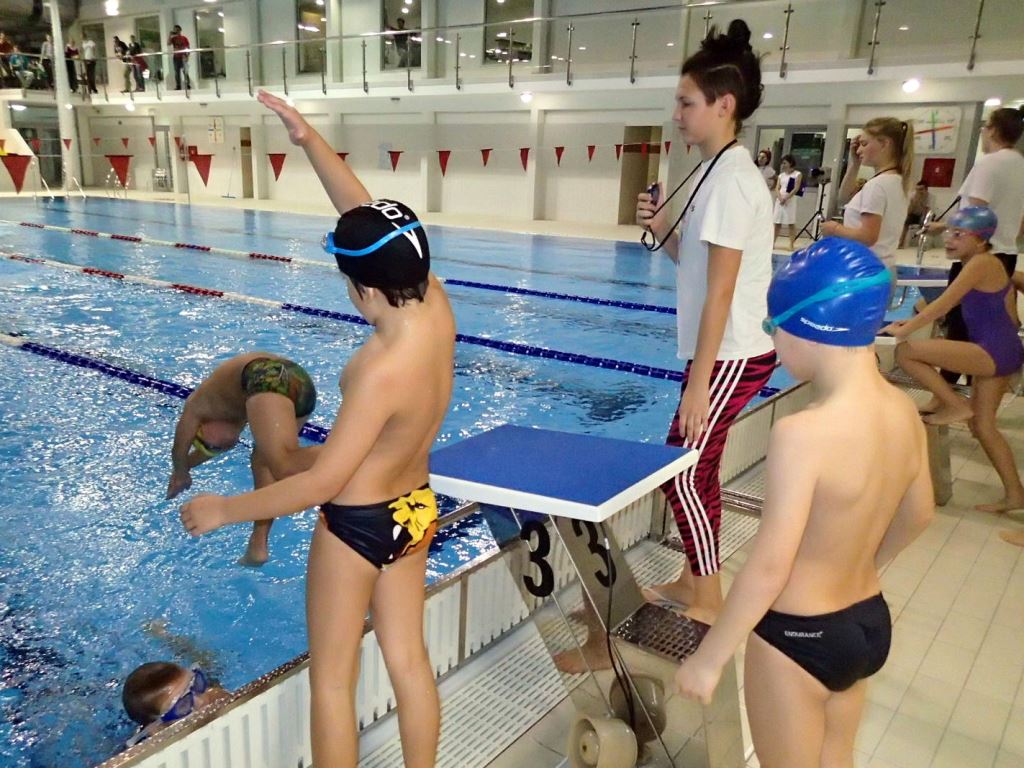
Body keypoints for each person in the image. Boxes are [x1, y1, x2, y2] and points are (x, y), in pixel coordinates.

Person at [178, 89, 455, 768]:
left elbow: (323, 482)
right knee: (408, 660)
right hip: (416, 508)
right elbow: (364, 215)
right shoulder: (434, 305)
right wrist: (308, 140)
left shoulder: (382, 367)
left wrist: (225, 508)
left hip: (357, 523)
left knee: (332, 682)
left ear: (363, 288)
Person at [675, 237, 934, 767]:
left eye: (771, 327)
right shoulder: (903, 410)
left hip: (798, 635)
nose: (773, 344)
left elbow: (770, 567)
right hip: (867, 620)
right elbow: (919, 513)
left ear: (805, 325)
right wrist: (865, 563)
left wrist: (710, 657)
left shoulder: (802, 433)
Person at [636, 20, 777, 626]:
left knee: (682, 470)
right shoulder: (715, 173)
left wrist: (699, 384)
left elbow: (721, 292)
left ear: (725, 105)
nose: (676, 115)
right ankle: (694, 581)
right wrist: (662, 228)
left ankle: (709, 596)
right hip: (722, 352)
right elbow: (696, 267)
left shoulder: (732, 181)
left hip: (731, 353)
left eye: (686, 103)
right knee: (697, 467)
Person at [882, 207, 1024, 513]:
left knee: (906, 352)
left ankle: (955, 404)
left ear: (980, 239)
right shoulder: (989, 264)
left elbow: (944, 305)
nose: (949, 239)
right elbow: (1010, 317)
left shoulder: (980, 263)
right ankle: (1016, 494)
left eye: (959, 234)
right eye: (949, 232)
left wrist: (904, 329)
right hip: (1003, 349)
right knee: (983, 426)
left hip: (993, 350)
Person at [165, 352, 320, 565]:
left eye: (208, 445)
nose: (216, 447)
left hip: (267, 373)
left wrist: (181, 472)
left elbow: (178, 449)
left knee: (284, 465)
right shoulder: (234, 409)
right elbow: (220, 443)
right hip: (300, 382)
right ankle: (258, 545)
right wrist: (188, 468)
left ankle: (353, 452)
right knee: (264, 461)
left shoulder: (196, 407)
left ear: (199, 428)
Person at [822, 118, 913, 271]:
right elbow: (843, 198)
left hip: (866, 271)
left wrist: (834, 229)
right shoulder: (898, 181)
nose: (858, 150)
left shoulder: (877, 185)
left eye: (864, 144)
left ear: (884, 144)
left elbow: (868, 237)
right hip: (884, 268)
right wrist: (854, 164)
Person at [773, 154, 802, 250]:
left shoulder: (797, 174)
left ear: (790, 163)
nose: (783, 165)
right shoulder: (781, 175)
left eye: (785, 163)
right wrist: (780, 197)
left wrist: (786, 198)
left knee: (790, 222)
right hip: (780, 199)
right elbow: (777, 188)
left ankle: (791, 244)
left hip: (790, 199)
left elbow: (796, 188)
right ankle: (772, 242)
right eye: (782, 163)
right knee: (777, 222)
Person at [899, 180, 933, 248]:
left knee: (925, 223)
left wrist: (923, 219)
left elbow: (927, 210)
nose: (919, 191)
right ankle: (901, 243)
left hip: (924, 214)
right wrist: (914, 201)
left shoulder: (930, 197)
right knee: (906, 222)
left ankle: (922, 243)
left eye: (921, 189)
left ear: (926, 190)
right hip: (913, 214)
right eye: (917, 189)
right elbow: (909, 211)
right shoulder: (912, 195)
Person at [168, 25, 190, 90]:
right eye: (175, 30)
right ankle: (178, 86)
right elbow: (168, 43)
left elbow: (188, 47)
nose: (176, 31)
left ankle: (188, 84)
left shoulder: (184, 38)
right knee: (177, 72)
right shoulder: (173, 38)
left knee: (185, 71)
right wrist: (170, 35)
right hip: (176, 57)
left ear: (180, 30)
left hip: (183, 57)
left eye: (177, 30)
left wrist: (187, 56)